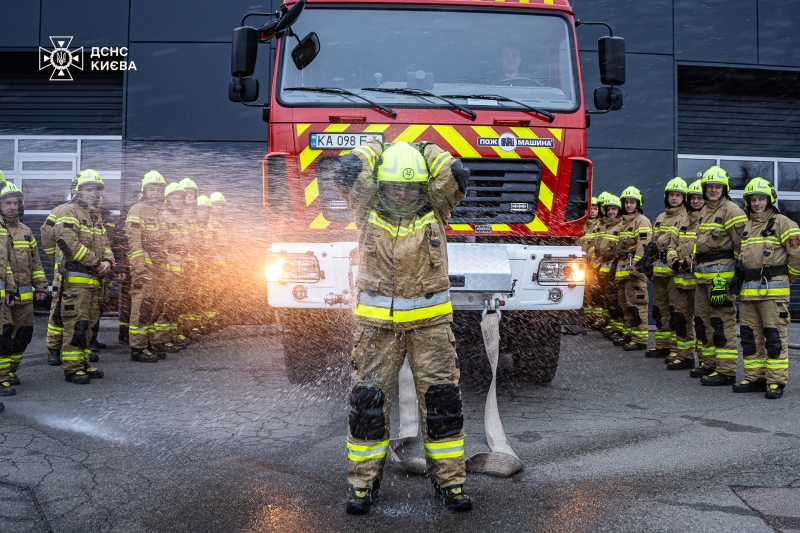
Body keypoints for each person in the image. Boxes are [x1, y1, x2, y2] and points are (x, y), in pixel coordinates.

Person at [333, 140, 472, 514]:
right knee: (368, 407)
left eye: (411, 188)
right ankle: (363, 485)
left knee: (443, 404)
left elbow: (450, 179)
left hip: (431, 328)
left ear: (423, 189)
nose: (402, 194)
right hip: (376, 331)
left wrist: (425, 147)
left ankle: (451, 483)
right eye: (394, 187)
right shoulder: (367, 212)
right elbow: (352, 178)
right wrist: (374, 149)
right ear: (380, 186)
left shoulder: (435, 212)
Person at [733, 178, 800, 399]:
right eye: (753, 199)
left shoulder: (783, 223)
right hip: (748, 295)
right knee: (750, 338)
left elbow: (797, 257)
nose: (757, 203)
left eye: (761, 199)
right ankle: (754, 377)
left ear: (769, 199)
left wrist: (784, 281)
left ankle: (775, 382)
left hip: (774, 296)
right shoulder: (747, 226)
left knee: (774, 338)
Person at [52, 170, 114, 384]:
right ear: (77, 191)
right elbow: (69, 245)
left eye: (96, 190)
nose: (93, 194)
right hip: (76, 283)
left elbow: (105, 244)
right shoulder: (69, 212)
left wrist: (108, 261)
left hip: (94, 283)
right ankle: (72, 368)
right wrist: (97, 263)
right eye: (88, 189)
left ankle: (84, 362)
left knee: (89, 325)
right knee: (76, 325)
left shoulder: (95, 217)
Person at [692, 166, 748, 386]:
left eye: (717, 187)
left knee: (721, 323)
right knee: (703, 321)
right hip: (702, 278)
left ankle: (726, 371)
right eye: (709, 187)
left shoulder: (732, 211)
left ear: (724, 188)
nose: (713, 190)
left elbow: (742, 246)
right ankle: (710, 363)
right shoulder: (704, 211)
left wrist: (737, 275)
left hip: (719, 279)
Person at [0, 183, 48, 390]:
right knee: (4, 335)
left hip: (25, 296)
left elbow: (35, 262)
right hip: (5, 296)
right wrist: (8, 289)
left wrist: (41, 286)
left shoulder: (26, 231)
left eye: (16, 203)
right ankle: (1, 377)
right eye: (7, 203)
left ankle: (10, 371)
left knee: (24, 335)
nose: (12, 207)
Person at [125, 171, 167, 363]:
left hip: (157, 269)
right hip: (144, 269)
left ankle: (148, 343)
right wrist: (139, 267)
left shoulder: (158, 212)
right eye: (152, 188)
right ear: (145, 190)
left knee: (152, 308)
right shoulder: (137, 210)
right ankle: (138, 347)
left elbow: (162, 243)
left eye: (159, 189)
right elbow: (133, 242)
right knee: (141, 307)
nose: (156, 192)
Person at [645, 178, 690, 359]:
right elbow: (654, 241)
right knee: (659, 310)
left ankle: (674, 348)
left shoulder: (685, 217)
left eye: (678, 195)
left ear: (683, 198)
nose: (674, 198)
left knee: (674, 311)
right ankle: (662, 345)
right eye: (671, 195)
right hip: (659, 273)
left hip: (673, 273)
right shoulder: (661, 217)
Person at [40, 175, 80, 366]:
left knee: (77, 315)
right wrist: (55, 259)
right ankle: (53, 349)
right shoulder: (60, 211)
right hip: (64, 273)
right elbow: (46, 236)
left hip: (82, 274)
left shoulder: (90, 213)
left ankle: (74, 350)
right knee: (58, 312)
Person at [666, 179, 704, 371]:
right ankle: (685, 357)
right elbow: (671, 246)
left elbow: (707, 249)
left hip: (699, 283)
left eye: (700, 198)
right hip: (680, 282)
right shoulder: (680, 221)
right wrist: (674, 262)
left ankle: (705, 362)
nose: (696, 201)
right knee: (680, 320)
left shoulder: (707, 221)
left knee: (701, 324)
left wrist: (688, 262)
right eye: (694, 198)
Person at [614, 186, 651, 351]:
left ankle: (640, 339)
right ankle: (629, 334)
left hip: (634, 271)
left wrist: (636, 268)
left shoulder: (642, 221)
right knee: (625, 304)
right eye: (626, 202)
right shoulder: (622, 221)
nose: (629, 205)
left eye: (632, 202)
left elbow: (643, 247)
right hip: (623, 271)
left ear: (638, 204)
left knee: (637, 304)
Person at [152, 182, 187, 354]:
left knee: (175, 303)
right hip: (168, 267)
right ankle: (160, 339)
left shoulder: (180, 218)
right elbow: (161, 245)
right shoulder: (163, 216)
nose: (179, 200)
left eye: (181, 197)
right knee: (165, 303)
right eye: (175, 197)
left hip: (179, 266)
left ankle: (171, 336)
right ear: (167, 199)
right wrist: (165, 269)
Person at [595, 194, 625, 342]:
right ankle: (614, 327)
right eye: (609, 209)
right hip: (604, 269)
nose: (611, 212)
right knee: (608, 300)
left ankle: (619, 328)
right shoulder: (605, 225)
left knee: (616, 301)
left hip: (614, 269)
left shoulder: (620, 226)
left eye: (614, 209)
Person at [579, 197, 602, 328]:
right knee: (586, 292)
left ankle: (599, 318)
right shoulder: (583, 224)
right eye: (590, 209)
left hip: (594, 265)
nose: (592, 211)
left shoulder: (600, 224)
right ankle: (589, 318)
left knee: (596, 292)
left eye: (595, 208)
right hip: (583, 265)